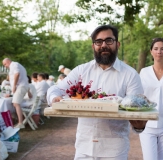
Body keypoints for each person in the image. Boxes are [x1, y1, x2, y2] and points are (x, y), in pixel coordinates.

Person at [47, 25, 147, 160]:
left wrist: (139, 124)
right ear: (93, 46)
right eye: (98, 42)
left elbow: (137, 112)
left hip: (114, 151)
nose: (103, 45)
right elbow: (55, 89)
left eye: (109, 41)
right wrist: (55, 98)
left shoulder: (130, 75)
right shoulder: (81, 71)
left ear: (117, 44)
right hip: (83, 148)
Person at [2, 58, 29, 129]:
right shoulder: (14, 65)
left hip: (21, 86)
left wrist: (14, 85)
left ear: (8, 61)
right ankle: (19, 121)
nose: (5, 66)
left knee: (16, 103)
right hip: (21, 86)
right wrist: (11, 93)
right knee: (14, 103)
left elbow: (17, 74)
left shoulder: (14, 64)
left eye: (5, 64)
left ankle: (20, 123)